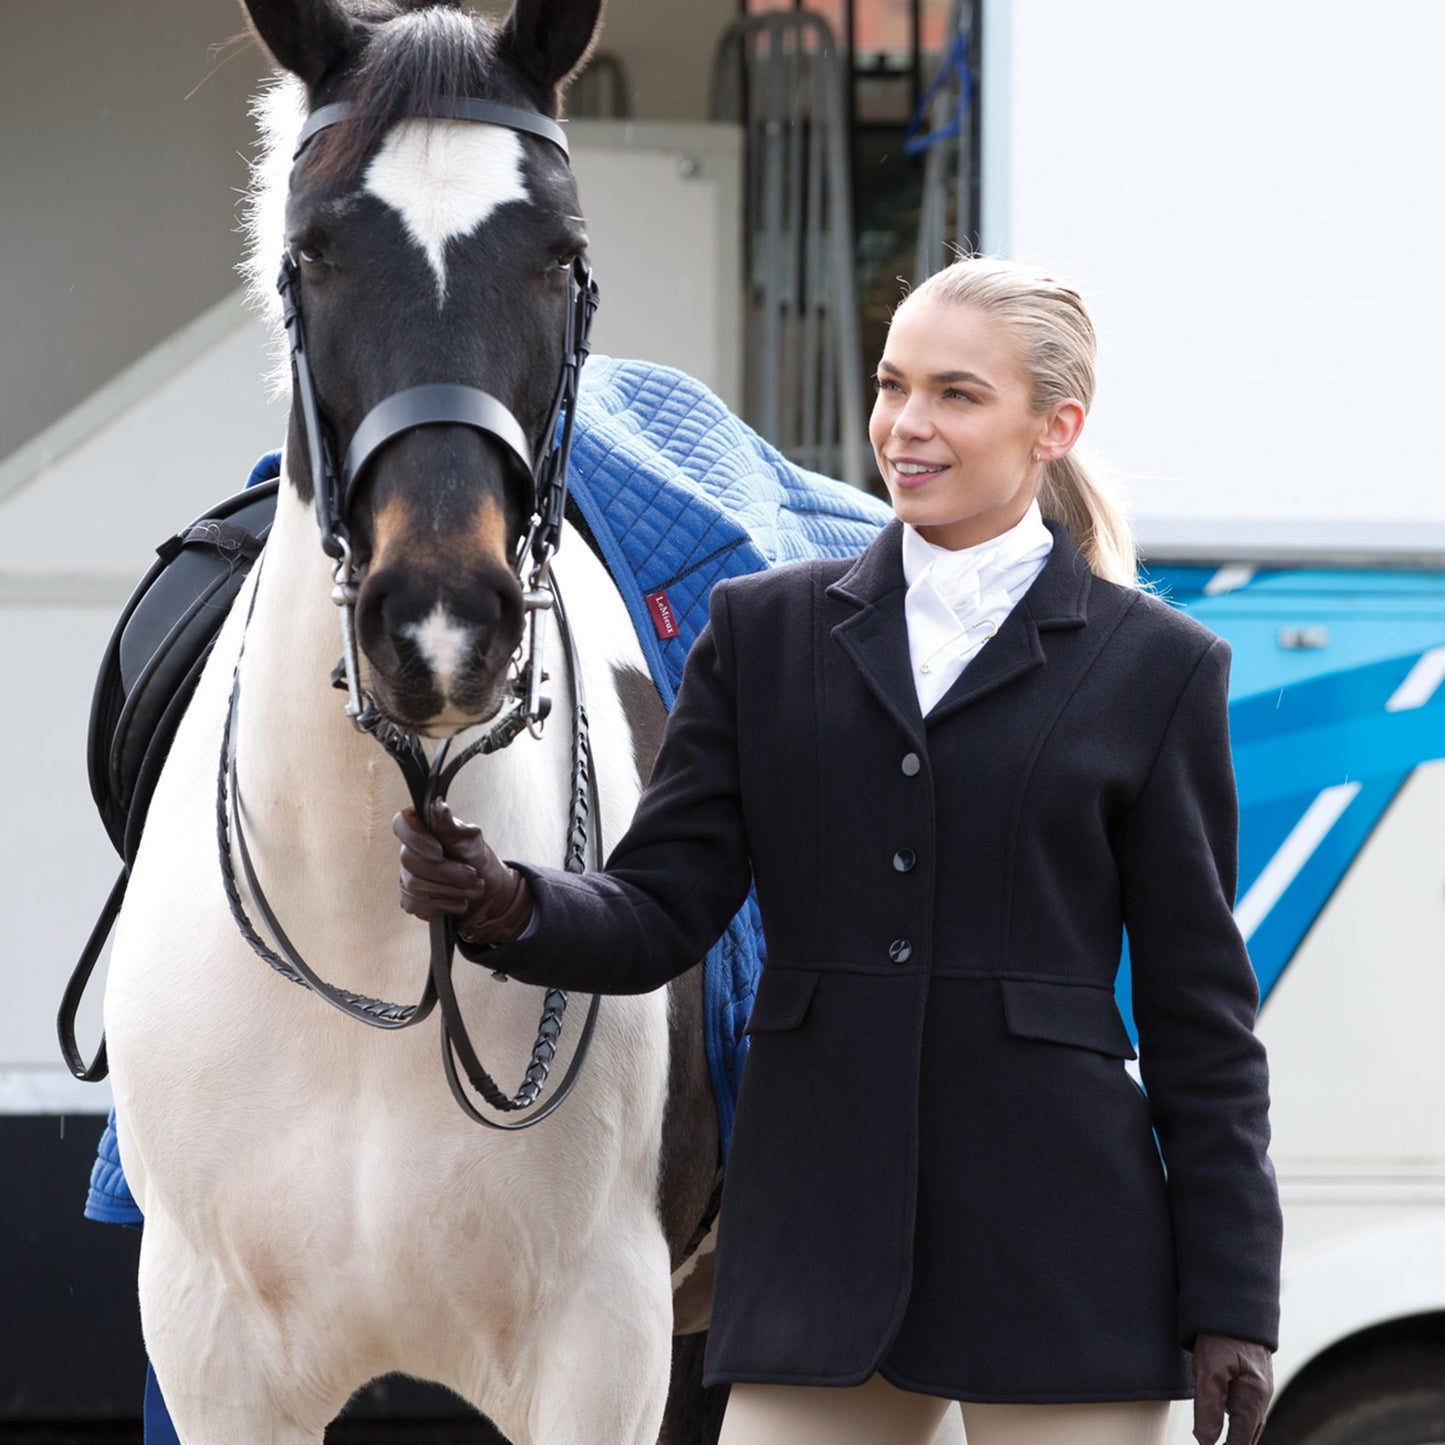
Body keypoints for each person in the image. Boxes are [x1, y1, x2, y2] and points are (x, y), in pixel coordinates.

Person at [394, 255, 1282, 1445]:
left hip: (1066, 1256)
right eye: (890, 385)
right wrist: (504, 901)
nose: (905, 427)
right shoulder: (762, 632)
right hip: (817, 1254)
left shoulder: (1158, 668)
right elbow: (661, 906)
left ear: (1052, 426)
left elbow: (1198, 1019)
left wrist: (1232, 1296)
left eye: (956, 395)